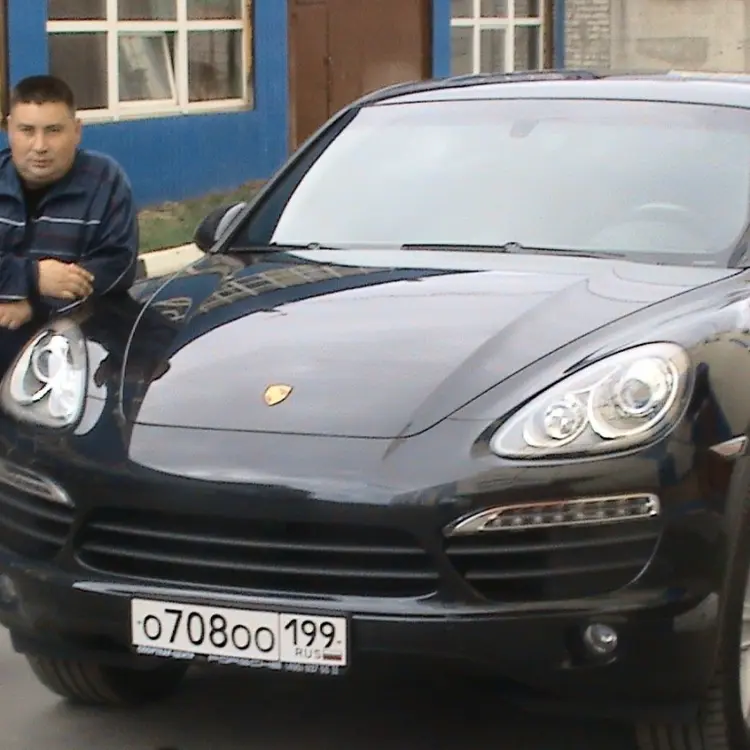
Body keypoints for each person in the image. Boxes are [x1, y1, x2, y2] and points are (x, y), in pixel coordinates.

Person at [0, 74, 138, 338]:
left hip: (74, 340)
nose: (40, 146)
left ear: (76, 131)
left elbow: (116, 267)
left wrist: (34, 304)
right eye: (27, 130)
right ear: (9, 130)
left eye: (53, 130)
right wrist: (33, 277)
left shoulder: (105, 181)